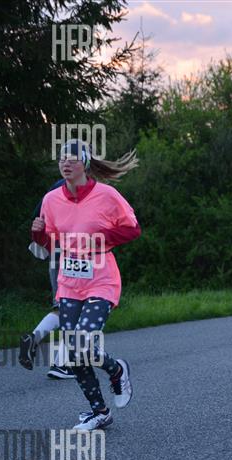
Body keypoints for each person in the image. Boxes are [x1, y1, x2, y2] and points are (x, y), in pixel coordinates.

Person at [31, 139, 140, 430]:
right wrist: (38, 234)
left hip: (102, 280)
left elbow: (133, 229)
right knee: (74, 351)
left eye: (72, 159)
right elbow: (51, 243)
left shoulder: (107, 195)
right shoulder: (51, 199)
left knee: (81, 342)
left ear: (86, 164)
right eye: (62, 159)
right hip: (69, 283)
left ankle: (116, 371)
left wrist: (100, 238)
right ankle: (100, 411)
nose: (65, 163)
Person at [19, 178, 76, 379]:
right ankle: (61, 364)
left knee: (61, 305)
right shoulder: (85, 187)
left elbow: (36, 215)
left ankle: (34, 339)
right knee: (78, 306)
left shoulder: (57, 186)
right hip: (75, 250)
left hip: (55, 249)